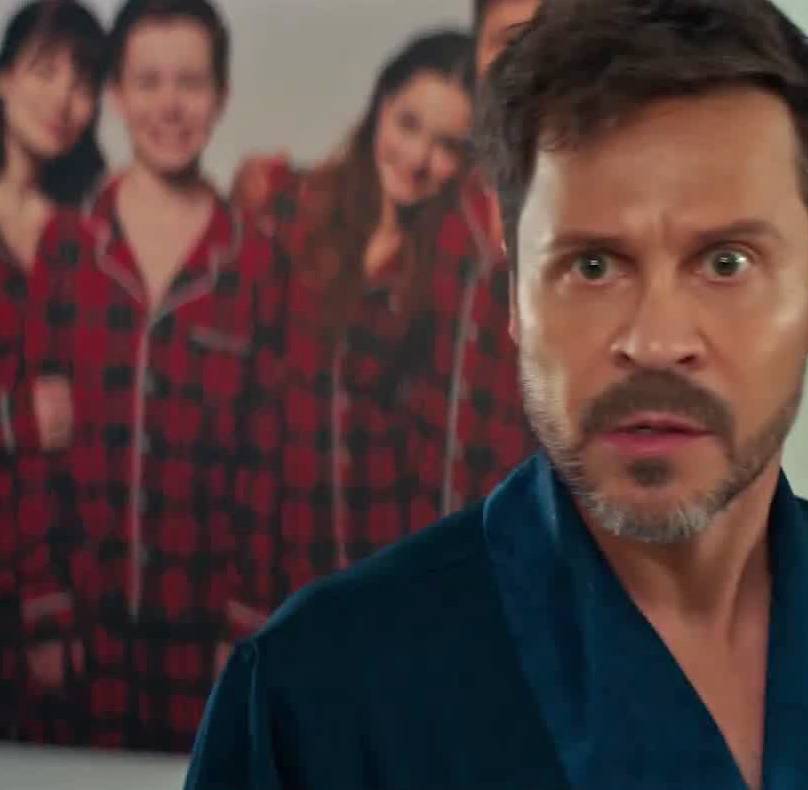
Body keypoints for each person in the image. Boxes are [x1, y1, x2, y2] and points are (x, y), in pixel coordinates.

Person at [185, 0, 808, 787]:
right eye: (593, 265)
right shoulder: (316, 695)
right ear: (514, 296)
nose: (655, 342)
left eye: (727, 262)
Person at [28, 0, 283, 751]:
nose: (169, 106)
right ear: (116, 95)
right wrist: (43, 605)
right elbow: (37, 452)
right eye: (148, 82)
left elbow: (267, 459)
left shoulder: (256, 262)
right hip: (78, 632)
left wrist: (246, 623)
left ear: (221, 96)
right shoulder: (67, 248)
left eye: (190, 83)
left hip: (202, 639)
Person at [236, 29, 528, 600]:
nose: (418, 159)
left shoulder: (453, 260)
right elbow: (252, 405)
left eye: (447, 146)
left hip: (386, 562)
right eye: (407, 124)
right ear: (380, 105)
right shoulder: (292, 212)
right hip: (287, 559)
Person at [0, 0, 105, 744]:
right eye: (44, 72)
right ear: (4, 78)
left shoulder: (92, 226)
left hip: (58, 548)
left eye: (83, 80)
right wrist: (17, 417)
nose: (62, 99)